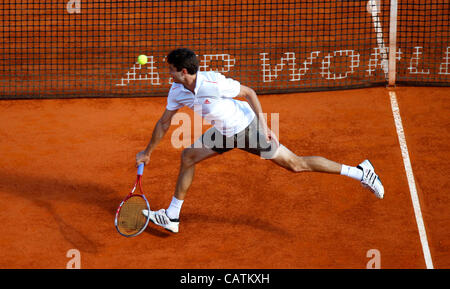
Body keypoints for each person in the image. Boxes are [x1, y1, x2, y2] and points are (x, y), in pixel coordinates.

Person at [136, 48, 384, 233]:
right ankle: (173, 216)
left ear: (184, 71)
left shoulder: (214, 83)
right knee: (188, 156)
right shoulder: (177, 90)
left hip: (247, 129)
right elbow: (164, 122)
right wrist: (148, 151)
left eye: (171, 69)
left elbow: (249, 93)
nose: (168, 73)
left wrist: (264, 126)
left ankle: (361, 172)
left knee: (296, 165)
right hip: (224, 132)